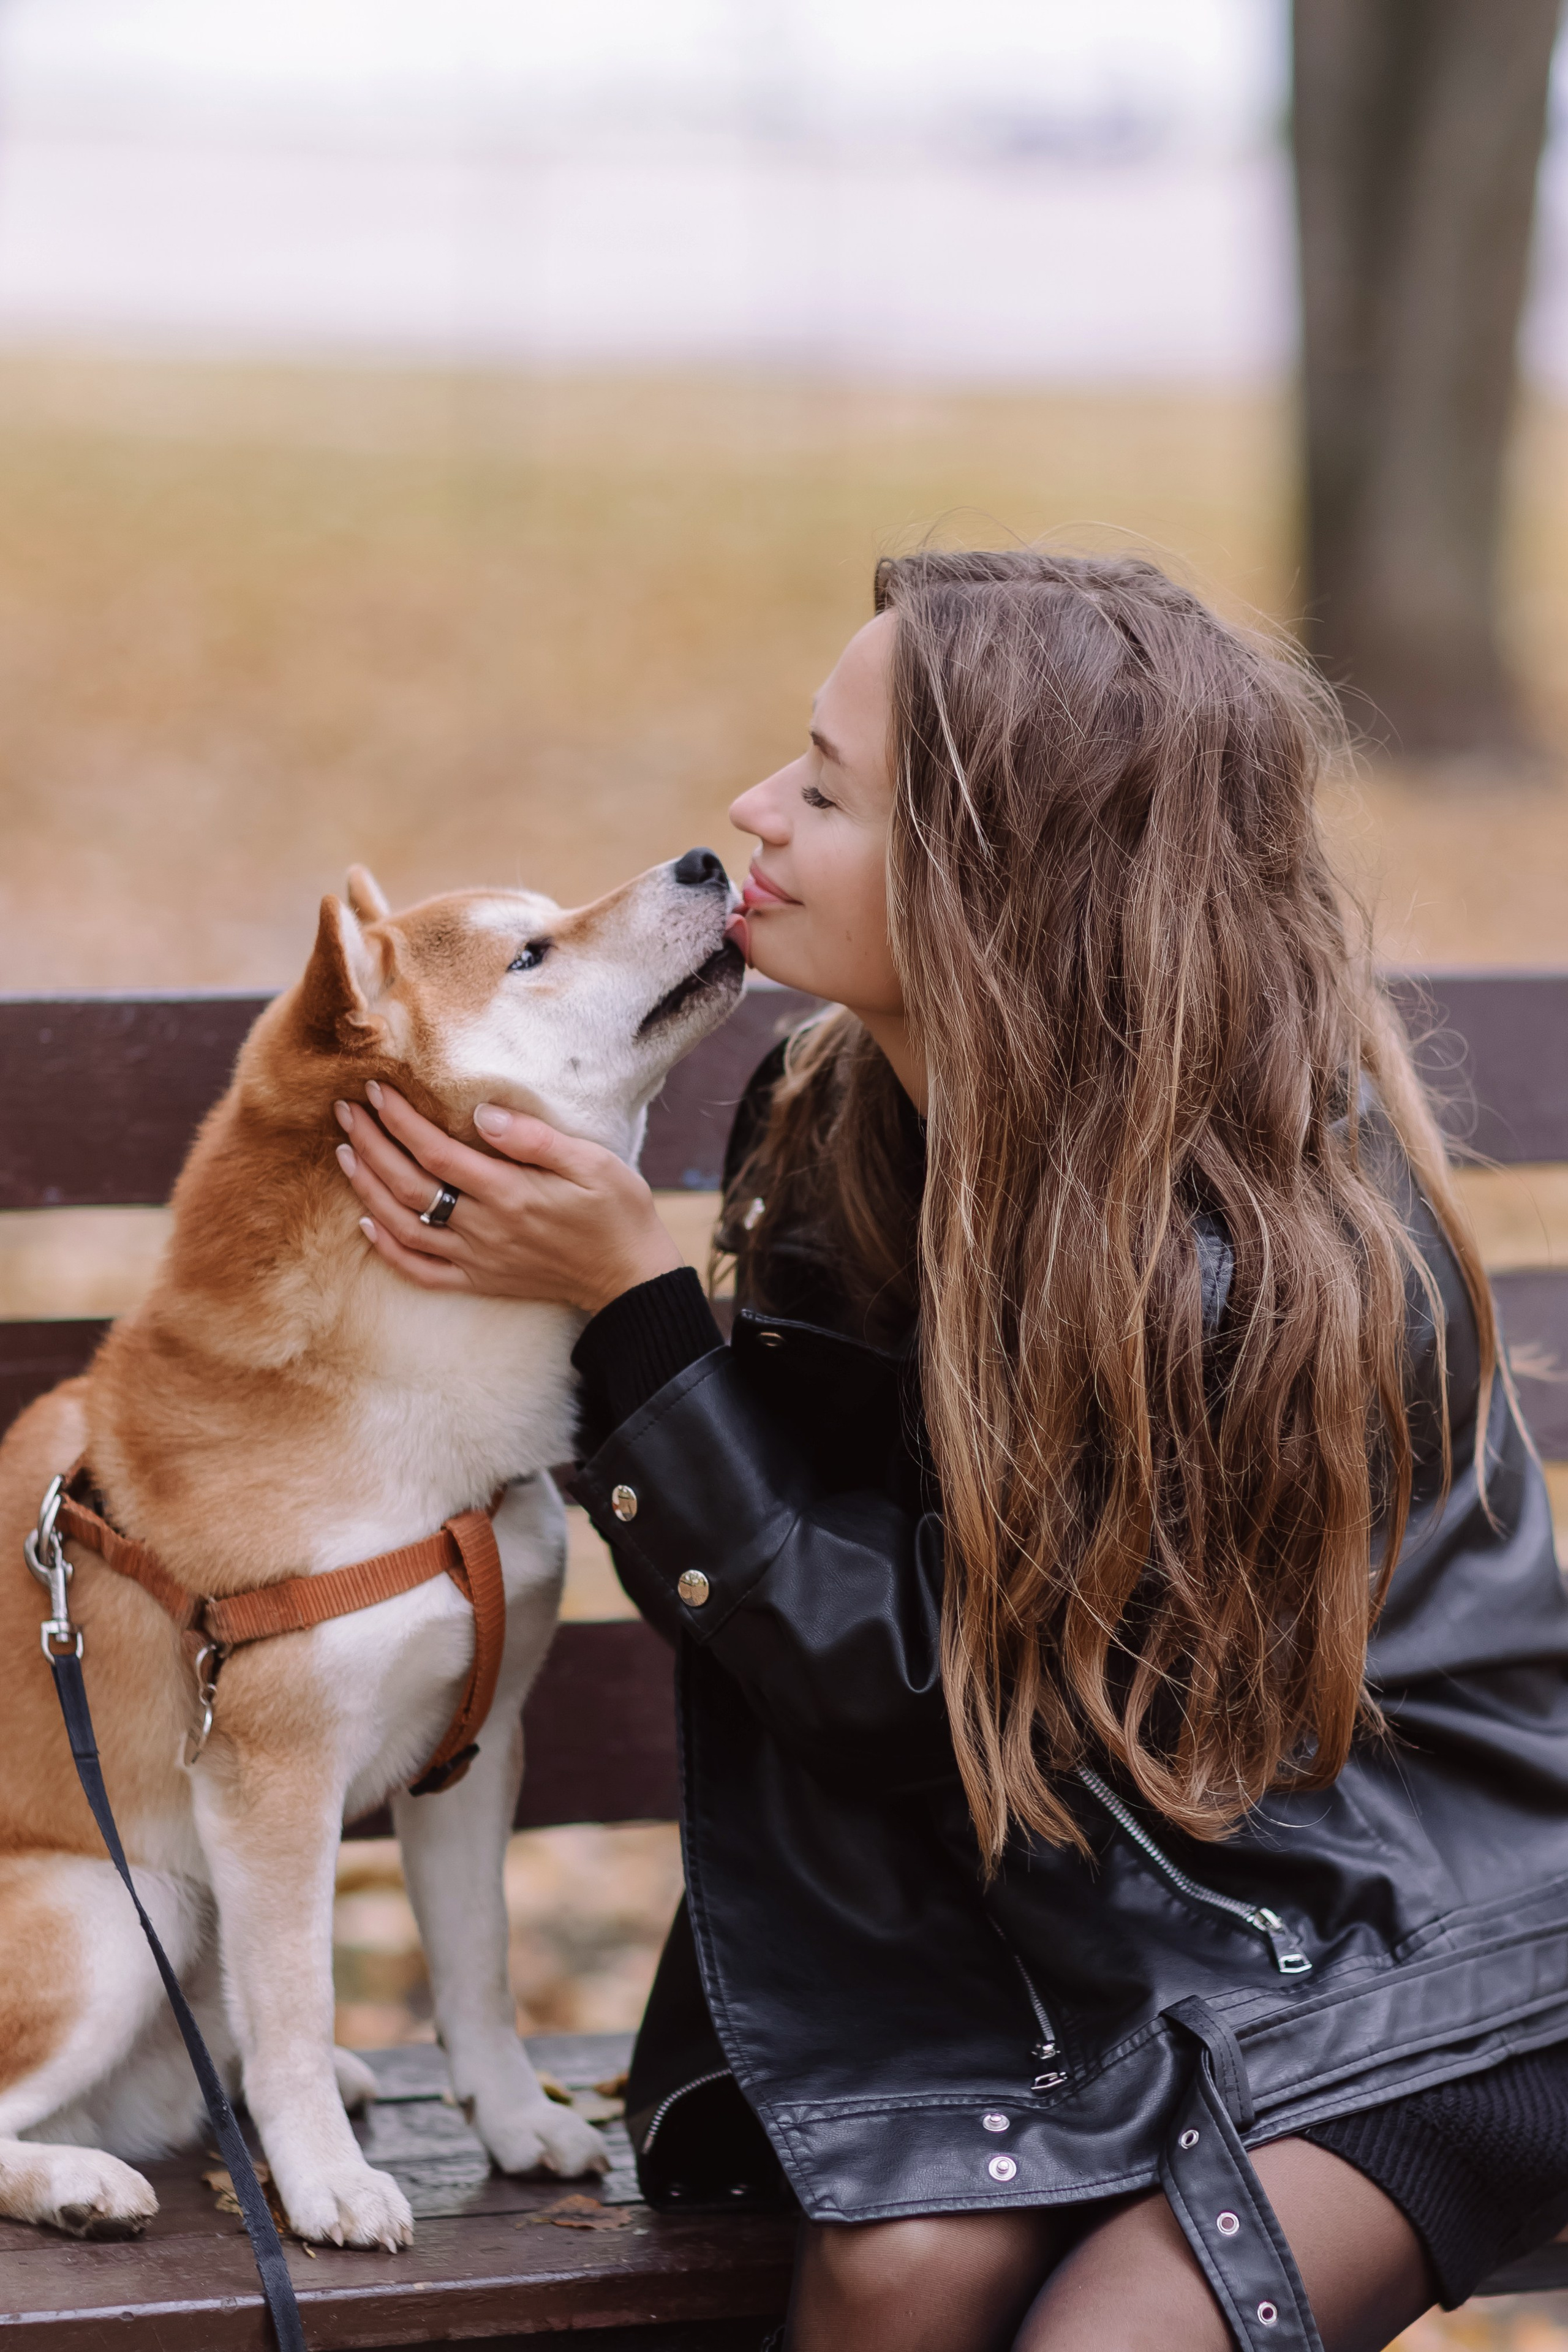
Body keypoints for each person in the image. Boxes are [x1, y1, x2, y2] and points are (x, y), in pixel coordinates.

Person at [332, 551, 1568, 2352]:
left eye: (828, 796)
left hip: (1414, 1939)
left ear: (1002, 888)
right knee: (898, 2269)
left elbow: (912, 1674)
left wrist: (630, 1313)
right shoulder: (838, 1111)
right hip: (1073, 1901)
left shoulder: (1231, 1254)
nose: (753, 809)